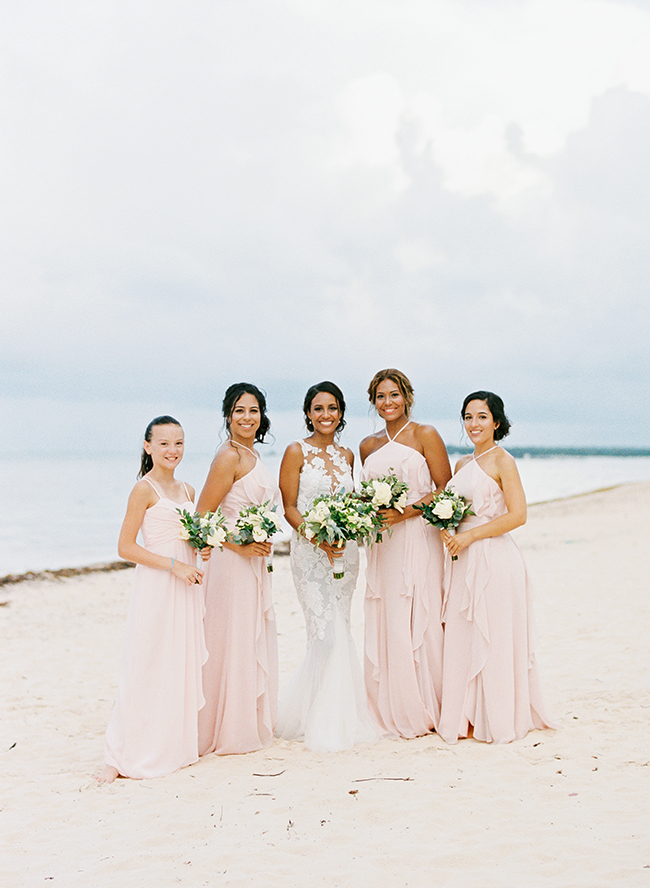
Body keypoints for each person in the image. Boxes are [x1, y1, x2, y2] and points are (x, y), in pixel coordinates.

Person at [437, 391, 557, 744]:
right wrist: (448, 526)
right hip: (461, 558)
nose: (474, 424)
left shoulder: (503, 461)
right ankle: (466, 717)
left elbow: (518, 515)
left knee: (494, 636)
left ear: (497, 422)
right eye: (468, 417)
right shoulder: (460, 466)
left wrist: (471, 538)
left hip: (493, 558)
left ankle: (497, 716)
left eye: (482, 417)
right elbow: (457, 509)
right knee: (462, 635)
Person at [96, 416, 207, 783]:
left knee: (179, 660)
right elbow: (126, 547)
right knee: (147, 662)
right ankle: (124, 753)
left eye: (178, 443)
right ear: (148, 447)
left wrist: (201, 548)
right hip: (158, 585)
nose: (172, 450)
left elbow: (190, 537)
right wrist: (173, 565)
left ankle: (173, 745)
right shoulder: (143, 490)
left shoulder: (189, 491)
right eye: (163, 443)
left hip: (187, 583)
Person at [276, 382, 378, 751]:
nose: (325, 415)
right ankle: (318, 716)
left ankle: (332, 713)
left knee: (342, 624)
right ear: (307, 413)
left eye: (332, 408)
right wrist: (317, 537)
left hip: (346, 552)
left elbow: (354, 502)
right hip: (309, 552)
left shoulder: (348, 456)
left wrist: (352, 526)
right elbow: (289, 506)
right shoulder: (295, 451)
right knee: (324, 631)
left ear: (341, 413)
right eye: (318, 408)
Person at [360, 369, 451, 738]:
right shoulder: (367, 445)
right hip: (384, 542)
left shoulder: (425, 435)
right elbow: (365, 495)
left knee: (421, 611)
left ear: (407, 397)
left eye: (394, 395)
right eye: (380, 397)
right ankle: (394, 701)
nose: (388, 403)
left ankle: (431, 702)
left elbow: (445, 487)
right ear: (374, 401)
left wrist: (405, 511)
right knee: (390, 612)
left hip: (417, 534)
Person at [197, 383, 280, 755]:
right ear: (228, 416)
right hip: (231, 564)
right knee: (228, 637)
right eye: (240, 410)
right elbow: (202, 519)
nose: (247, 417)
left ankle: (240, 719)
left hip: (252, 563)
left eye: (254, 410)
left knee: (246, 637)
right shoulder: (228, 456)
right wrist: (240, 545)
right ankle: (222, 727)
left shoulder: (253, 454)